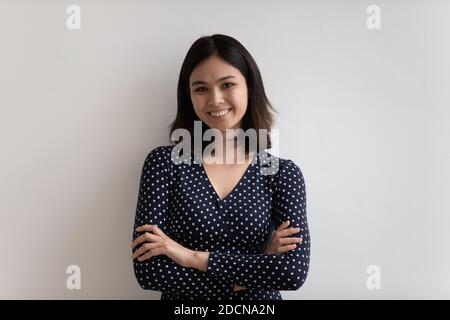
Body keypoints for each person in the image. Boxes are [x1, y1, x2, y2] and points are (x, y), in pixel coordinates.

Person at [131, 34, 310, 300]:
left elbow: (291, 272)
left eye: (227, 84)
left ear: (250, 87)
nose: (215, 99)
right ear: (188, 95)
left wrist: (190, 257)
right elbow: (149, 271)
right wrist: (256, 268)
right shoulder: (164, 164)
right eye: (201, 88)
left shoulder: (282, 173)